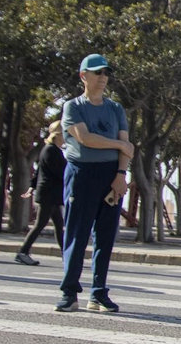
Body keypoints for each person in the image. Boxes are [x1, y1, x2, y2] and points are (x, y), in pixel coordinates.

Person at [55, 54, 133, 313]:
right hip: (82, 173)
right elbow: (86, 139)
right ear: (84, 76)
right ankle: (69, 292)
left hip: (111, 174)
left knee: (106, 236)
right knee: (76, 234)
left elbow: (127, 146)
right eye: (97, 72)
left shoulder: (115, 109)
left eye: (106, 73)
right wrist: (119, 144)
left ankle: (98, 292)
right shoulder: (73, 107)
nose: (102, 77)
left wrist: (121, 174)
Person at [15, 121, 66, 265]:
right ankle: (23, 252)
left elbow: (39, 172)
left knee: (58, 224)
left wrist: (31, 187)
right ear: (58, 136)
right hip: (49, 194)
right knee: (40, 224)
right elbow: (61, 172)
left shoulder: (49, 150)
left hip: (52, 194)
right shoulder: (52, 151)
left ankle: (66, 254)